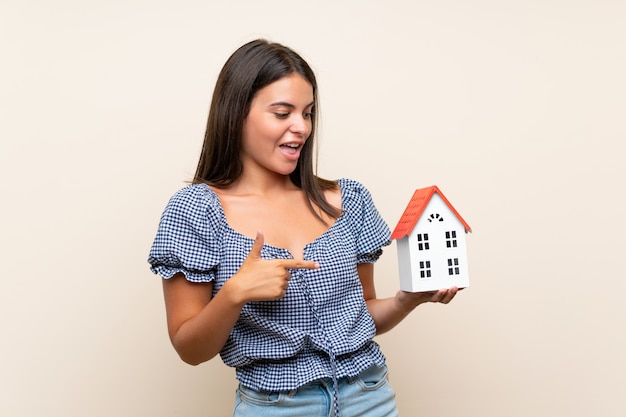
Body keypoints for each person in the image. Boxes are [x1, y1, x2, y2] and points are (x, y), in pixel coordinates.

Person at [148, 39, 459, 417]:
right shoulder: (196, 211)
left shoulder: (348, 200)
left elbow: (362, 315)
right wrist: (235, 293)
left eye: (308, 113)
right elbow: (189, 349)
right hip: (276, 408)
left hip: (369, 396)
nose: (301, 127)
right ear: (236, 115)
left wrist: (405, 301)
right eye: (282, 113)